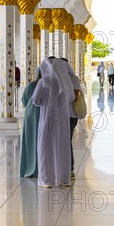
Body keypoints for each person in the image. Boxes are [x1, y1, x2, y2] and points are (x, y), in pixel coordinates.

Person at [32, 57, 75, 187]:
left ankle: (47, 179)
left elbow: (35, 100)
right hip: (62, 122)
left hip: (47, 121)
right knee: (62, 148)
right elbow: (72, 98)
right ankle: (63, 178)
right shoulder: (66, 82)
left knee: (46, 149)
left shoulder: (43, 82)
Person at [61, 57, 81, 181]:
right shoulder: (59, 79)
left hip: (70, 114)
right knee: (61, 141)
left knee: (66, 141)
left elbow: (75, 96)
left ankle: (70, 168)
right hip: (59, 114)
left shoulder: (73, 79)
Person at [19, 67, 41, 178]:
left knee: (31, 140)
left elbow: (24, 101)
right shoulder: (46, 85)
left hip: (32, 115)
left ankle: (30, 168)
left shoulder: (32, 86)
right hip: (37, 116)